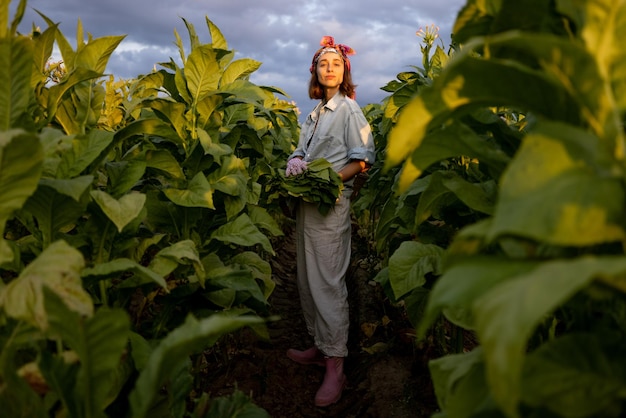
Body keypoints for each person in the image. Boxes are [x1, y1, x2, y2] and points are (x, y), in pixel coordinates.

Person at [284, 35, 375, 407]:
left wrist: (327, 178)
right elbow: (303, 151)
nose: (330, 68)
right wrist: (295, 162)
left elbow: (363, 158)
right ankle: (319, 347)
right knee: (307, 279)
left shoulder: (349, 110)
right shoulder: (316, 114)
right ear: (315, 73)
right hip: (308, 204)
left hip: (330, 206)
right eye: (323, 64)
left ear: (345, 71)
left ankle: (335, 363)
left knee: (327, 283)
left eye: (336, 63)